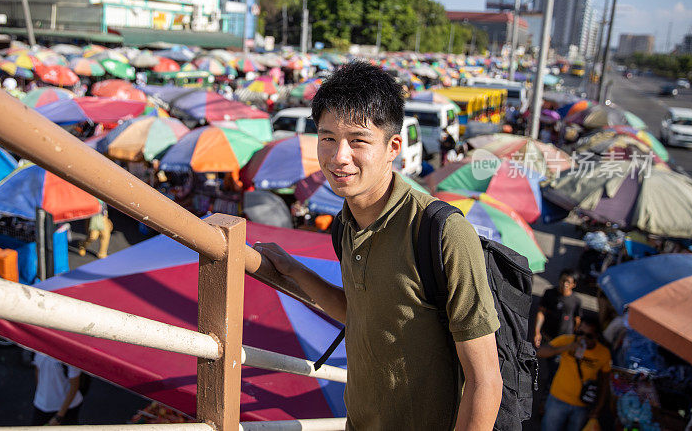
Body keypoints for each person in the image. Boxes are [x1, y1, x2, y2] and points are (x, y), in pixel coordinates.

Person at [256, 61, 502, 430]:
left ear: (393, 147)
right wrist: (292, 269)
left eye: (358, 140)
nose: (339, 156)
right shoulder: (345, 224)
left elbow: (485, 381)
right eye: (327, 138)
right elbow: (359, 314)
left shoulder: (441, 232)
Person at [537, 315, 611, 431]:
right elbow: (540, 352)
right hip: (557, 400)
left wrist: (598, 407)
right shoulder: (568, 340)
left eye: (589, 335)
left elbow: (605, 382)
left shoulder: (604, 353)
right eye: (580, 333)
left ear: (596, 336)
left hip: (582, 406)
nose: (583, 338)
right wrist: (566, 348)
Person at [533, 270, 582, 349]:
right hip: (548, 336)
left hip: (565, 339)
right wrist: (537, 332)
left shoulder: (576, 301)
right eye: (563, 280)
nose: (565, 284)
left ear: (574, 284)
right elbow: (541, 312)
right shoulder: (549, 293)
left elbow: (577, 319)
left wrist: (575, 337)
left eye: (568, 282)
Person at [31, 352, 83, 425]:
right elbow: (37, 370)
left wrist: (59, 416)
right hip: (41, 404)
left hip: (67, 408)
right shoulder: (38, 351)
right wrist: (41, 394)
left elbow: (74, 386)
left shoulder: (70, 356)